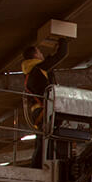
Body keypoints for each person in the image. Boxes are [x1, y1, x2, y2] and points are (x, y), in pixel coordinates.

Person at [21, 37, 70, 167]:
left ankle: (38, 166)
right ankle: (47, 165)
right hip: (45, 110)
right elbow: (62, 54)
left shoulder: (30, 72)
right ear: (35, 55)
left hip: (37, 112)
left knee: (42, 139)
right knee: (50, 138)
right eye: (40, 53)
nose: (42, 55)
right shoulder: (39, 68)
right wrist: (63, 40)